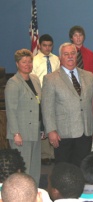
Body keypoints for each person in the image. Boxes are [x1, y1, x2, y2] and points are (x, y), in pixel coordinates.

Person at [42, 43, 93, 167]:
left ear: (77, 55)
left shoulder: (89, 76)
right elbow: (47, 108)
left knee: (82, 168)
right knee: (64, 169)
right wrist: (51, 131)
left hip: (86, 130)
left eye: (73, 53)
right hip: (63, 133)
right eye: (66, 54)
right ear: (60, 57)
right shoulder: (50, 79)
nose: (70, 57)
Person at [5, 49, 41, 184]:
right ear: (17, 64)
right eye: (24, 62)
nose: (28, 64)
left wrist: (42, 127)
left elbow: (39, 104)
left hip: (35, 131)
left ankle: (34, 191)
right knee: (23, 168)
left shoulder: (35, 79)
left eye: (30, 61)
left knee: (35, 167)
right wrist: (16, 133)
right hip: (20, 133)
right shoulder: (13, 83)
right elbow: (11, 110)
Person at [32, 34, 59, 166]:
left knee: (54, 123)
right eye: (44, 45)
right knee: (43, 124)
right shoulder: (34, 60)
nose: (47, 48)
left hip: (56, 95)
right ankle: (44, 155)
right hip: (41, 95)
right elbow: (33, 80)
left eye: (50, 45)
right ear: (39, 45)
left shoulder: (56, 59)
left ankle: (54, 153)